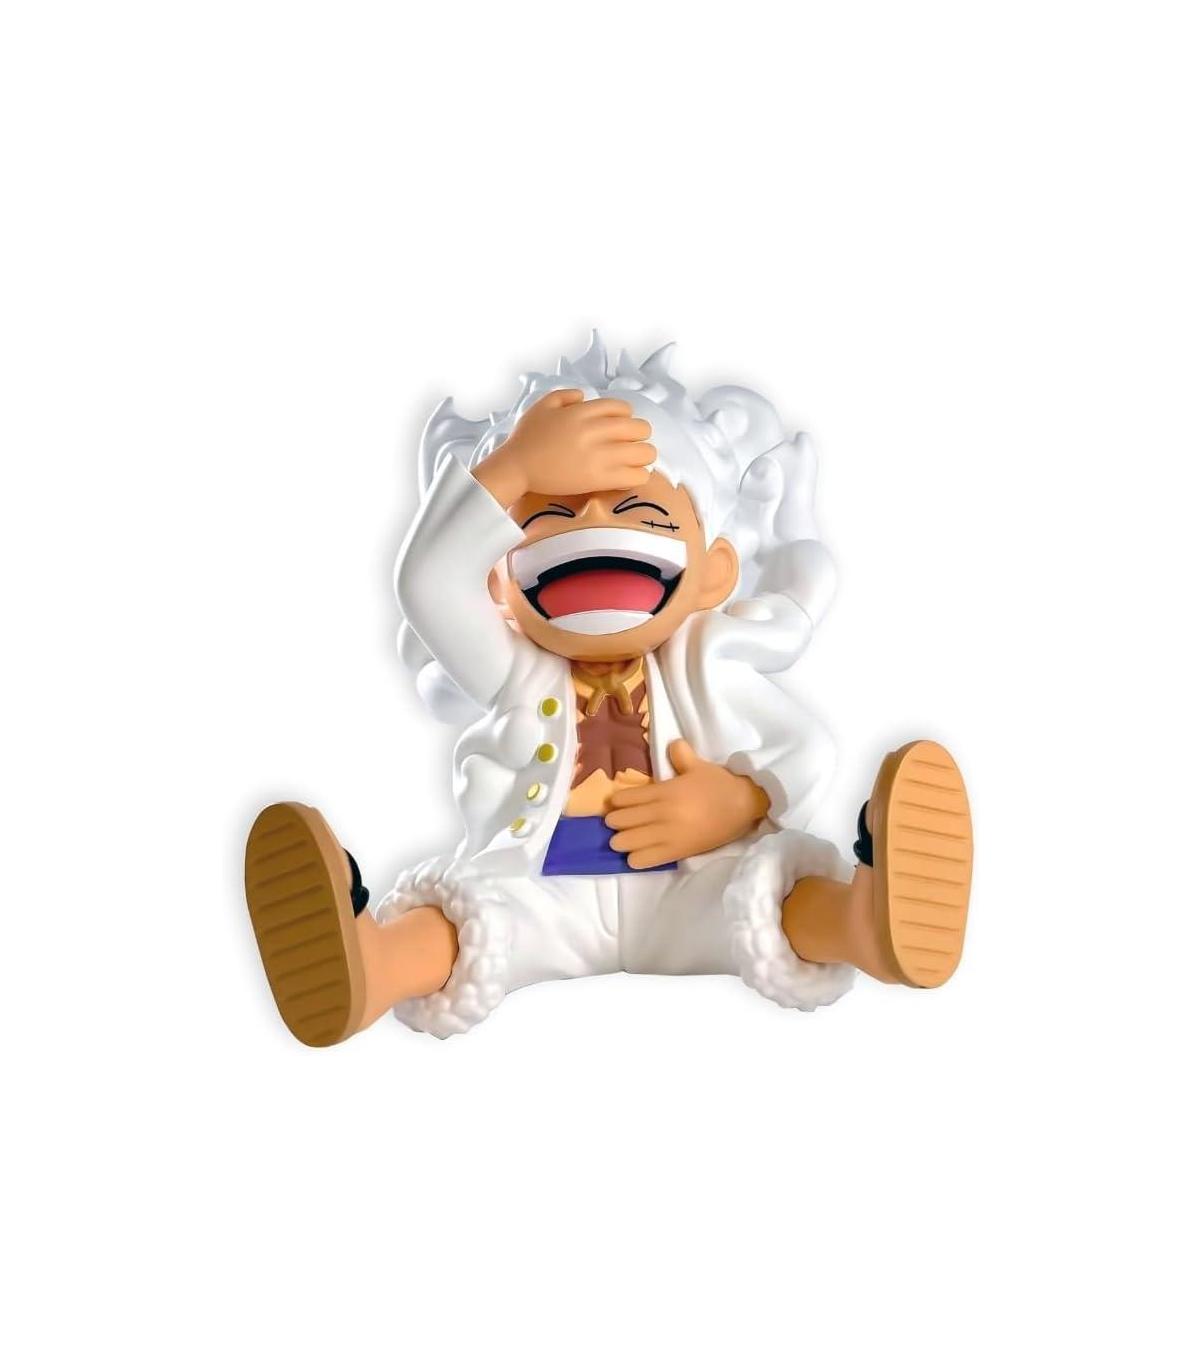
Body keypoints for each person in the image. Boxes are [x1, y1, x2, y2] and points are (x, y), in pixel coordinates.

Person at [244, 335, 972, 1044]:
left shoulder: (709, 661)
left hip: (693, 893)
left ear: (715, 575)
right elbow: (428, 583)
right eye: (552, 518)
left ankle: (865, 925)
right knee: (468, 923)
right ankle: (371, 967)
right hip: (543, 894)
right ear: (498, 584)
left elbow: (806, 749)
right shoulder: (511, 669)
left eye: (642, 515)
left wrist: (738, 802)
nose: (594, 522)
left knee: (772, 899)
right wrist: (514, 467)